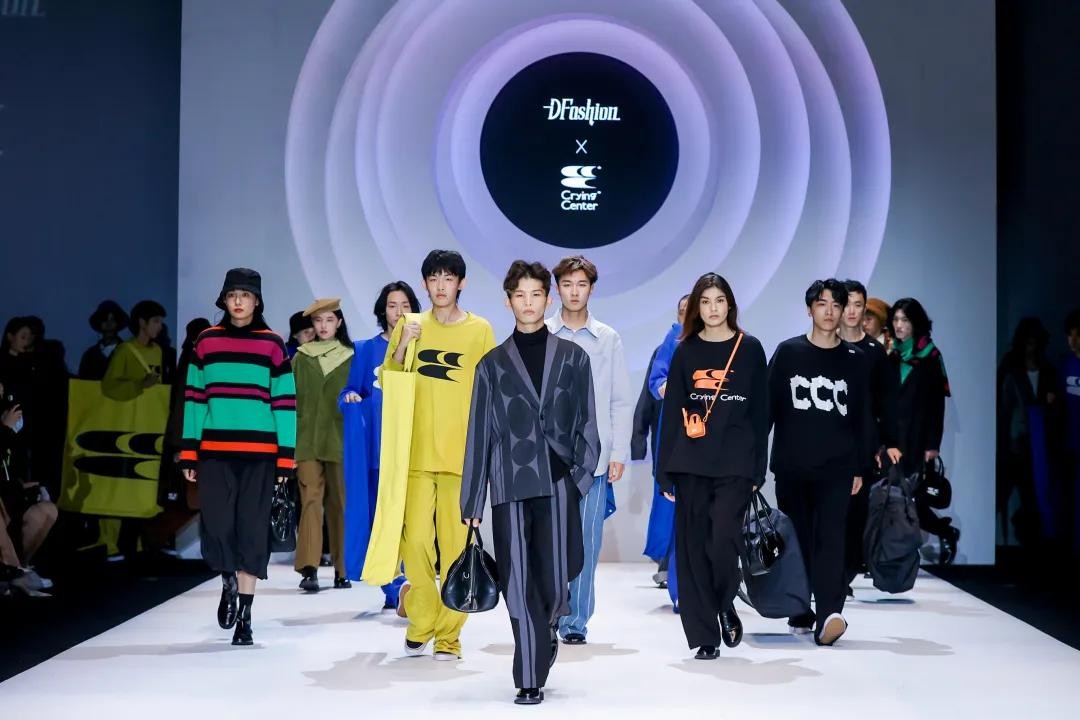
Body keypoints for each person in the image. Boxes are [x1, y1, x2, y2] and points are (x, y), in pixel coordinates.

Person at [461, 260, 599, 704]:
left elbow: (587, 421)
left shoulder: (574, 358)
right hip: (511, 484)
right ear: (508, 302)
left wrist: (579, 479)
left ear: (547, 298)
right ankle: (528, 675)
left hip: (558, 483)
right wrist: (472, 501)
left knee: (556, 579)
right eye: (519, 295)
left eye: (535, 294)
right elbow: (479, 433)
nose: (528, 302)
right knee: (518, 581)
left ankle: (548, 628)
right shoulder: (491, 365)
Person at [378, 249, 495, 660]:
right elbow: (389, 382)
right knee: (414, 544)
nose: (441, 285)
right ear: (425, 284)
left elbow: (490, 393)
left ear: (461, 283)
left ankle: (448, 635)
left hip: (459, 459)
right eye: (433, 278)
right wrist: (401, 346)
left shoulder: (480, 330)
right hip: (414, 455)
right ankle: (422, 619)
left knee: (457, 548)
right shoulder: (410, 325)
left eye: (448, 278)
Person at [180, 268, 296, 646]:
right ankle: (228, 579)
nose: (239, 301)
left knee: (251, 530)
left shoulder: (273, 344)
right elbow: (194, 400)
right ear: (224, 300)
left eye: (245, 295)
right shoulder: (206, 341)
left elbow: (284, 403)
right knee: (216, 526)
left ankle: (245, 617)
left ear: (257, 301)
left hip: (260, 455)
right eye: (232, 295)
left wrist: (285, 458)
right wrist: (189, 452)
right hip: (214, 452)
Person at [657, 273, 767, 659]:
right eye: (705, 301)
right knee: (691, 550)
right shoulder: (685, 351)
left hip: (735, 462)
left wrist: (758, 469)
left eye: (719, 300)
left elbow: (761, 413)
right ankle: (705, 635)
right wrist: (663, 472)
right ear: (696, 308)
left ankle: (724, 601)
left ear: (730, 305)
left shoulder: (749, 349)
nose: (713, 308)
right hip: (691, 463)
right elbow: (673, 414)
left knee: (722, 540)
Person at [768, 279, 872, 646]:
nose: (829, 311)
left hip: (837, 468)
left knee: (831, 539)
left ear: (843, 311)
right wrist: (752, 462)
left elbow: (863, 417)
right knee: (797, 539)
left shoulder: (856, 361)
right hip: (793, 465)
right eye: (822, 304)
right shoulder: (788, 353)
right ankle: (800, 609)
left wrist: (860, 467)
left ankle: (829, 612)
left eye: (836, 305)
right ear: (809, 309)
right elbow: (766, 410)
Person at [545, 255, 631, 646]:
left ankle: (575, 621)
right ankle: (551, 609)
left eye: (581, 284)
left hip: (593, 457)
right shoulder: (544, 332)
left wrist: (618, 453)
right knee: (549, 539)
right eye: (567, 284)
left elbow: (619, 399)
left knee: (587, 541)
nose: (574, 292)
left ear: (591, 289)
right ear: (557, 288)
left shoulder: (607, 338)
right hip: (549, 456)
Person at [340, 281, 422, 609]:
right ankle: (396, 587)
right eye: (392, 305)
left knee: (411, 524)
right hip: (377, 450)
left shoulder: (421, 348)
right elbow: (349, 390)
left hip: (412, 449)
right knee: (379, 521)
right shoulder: (364, 349)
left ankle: (406, 585)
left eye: (405, 305)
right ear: (382, 310)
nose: (398, 311)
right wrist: (350, 397)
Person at [839, 281, 901, 592]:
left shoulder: (875, 353)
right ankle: (829, 575)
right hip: (827, 440)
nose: (852, 311)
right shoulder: (825, 346)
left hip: (862, 443)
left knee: (855, 512)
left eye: (858, 305)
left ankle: (844, 575)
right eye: (847, 304)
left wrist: (888, 443)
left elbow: (887, 402)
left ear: (865, 309)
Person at [889, 297, 959, 563]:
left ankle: (943, 531)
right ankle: (892, 553)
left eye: (905, 320)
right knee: (892, 496)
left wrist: (932, 444)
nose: (899, 325)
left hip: (917, 439)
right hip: (893, 438)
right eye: (896, 319)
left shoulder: (930, 356)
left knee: (913, 498)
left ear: (915, 323)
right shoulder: (892, 355)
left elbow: (936, 405)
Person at [293, 298, 354, 592]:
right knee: (310, 502)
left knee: (340, 504)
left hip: (341, 440)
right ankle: (309, 567)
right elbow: (290, 401)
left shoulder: (352, 356)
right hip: (307, 441)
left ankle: (343, 569)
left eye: (329, 320)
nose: (324, 326)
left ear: (339, 323)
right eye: (318, 321)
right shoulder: (301, 358)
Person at [997, 317, 1058, 546]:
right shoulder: (1011, 367)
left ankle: (1029, 541)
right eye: (1028, 341)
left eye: (1035, 341)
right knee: (1004, 494)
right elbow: (1003, 408)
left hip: (1038, 442)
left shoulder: (1047, 368)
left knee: (1033, 497)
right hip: (1015, 442)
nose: (1031, 346)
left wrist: (1051, 402)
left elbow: (1053, 408)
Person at [643, 294, 689, 591]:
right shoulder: (674, 339)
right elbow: (655, 385)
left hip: (716, 440)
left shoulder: (730, 341)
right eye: (684, 310)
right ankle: (674, 575)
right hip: (678, 434)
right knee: (672, 506)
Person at [101, 300, 167, 401]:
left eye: (161, 322)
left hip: (152, 408)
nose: (160, 326)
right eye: (156, 321)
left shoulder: (157, 350)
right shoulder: (124, 350)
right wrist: (140, 385)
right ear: (142, 322)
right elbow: (109, 386)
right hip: (130, 408)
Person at [1061, 309, 1080, 552]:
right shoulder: (1064, 365)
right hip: (1069, 443)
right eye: (1070, 335)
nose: (1073, 341)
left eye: (1078, 335)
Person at [78, 300, 128, 380]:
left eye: (112, 320)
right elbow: (81, 383)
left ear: (118, 323)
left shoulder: (129, 353)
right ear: (99, 323)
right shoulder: (89, 356)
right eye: (105, 319)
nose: (109, 324)